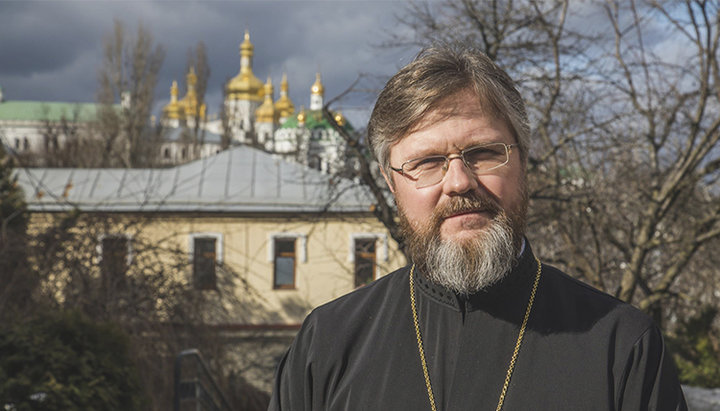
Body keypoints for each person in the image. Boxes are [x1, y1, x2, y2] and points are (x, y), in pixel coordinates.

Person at [269, 44, 687, 410]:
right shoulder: (326, 346)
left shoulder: (620, 347)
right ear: (390, 182)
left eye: (484, 152)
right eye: (426, 162)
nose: (458, 182)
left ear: (523, 161)